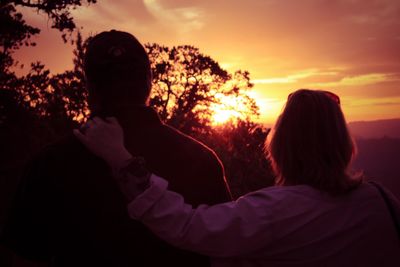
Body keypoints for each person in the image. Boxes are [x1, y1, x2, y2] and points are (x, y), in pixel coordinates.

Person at [74, 89, 400, 267]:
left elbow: (184, 225)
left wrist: (121, 158)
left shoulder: (272, 211)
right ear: (343, 143)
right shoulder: (382, 201)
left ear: (282, 147)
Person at [1, 30, 232, 267]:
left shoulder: (50, 164)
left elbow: (25, 256)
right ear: (149, 82)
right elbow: (226, 249)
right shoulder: (201, 160)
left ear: (89, 88)